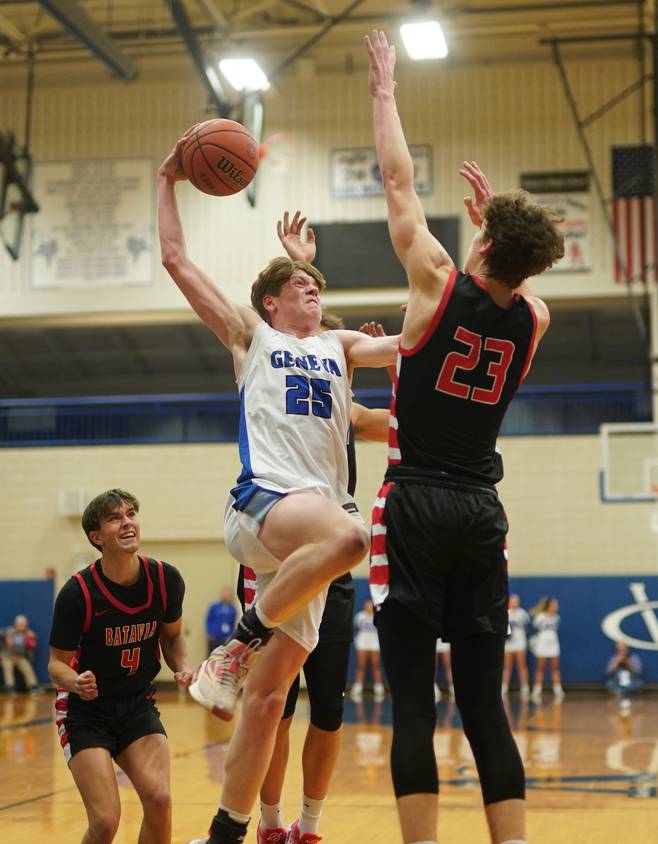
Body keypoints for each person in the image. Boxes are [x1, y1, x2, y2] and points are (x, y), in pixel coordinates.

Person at [158, 147, 397, 844]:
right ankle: (234, 647)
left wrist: (473, 279)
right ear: (271, 301)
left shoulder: (339, 346)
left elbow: (412, 344)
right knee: (354, 538)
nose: (313, 291)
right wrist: (166, 178)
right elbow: (177, 260)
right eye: (300, 285)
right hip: (263, 505)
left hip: (304, 537)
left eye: (317, 286)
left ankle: (229, 832)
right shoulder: (251, 336)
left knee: (266, 702)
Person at [363, 29, 563, 844]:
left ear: (477, 241)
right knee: (485, 705)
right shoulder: (537, 319)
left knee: (415, 701)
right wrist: (497, 231)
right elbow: (510, 287)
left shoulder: (434, 280)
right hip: (483, 510)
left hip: (412, 502)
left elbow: (397, 178)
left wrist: (385, 92)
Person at [239, 340, 391, 844]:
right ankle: (268, 822)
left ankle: (308, 828)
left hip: (333, 562)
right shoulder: (270, 385)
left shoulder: (342, 406)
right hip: (277, 553)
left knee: (328, 707)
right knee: (273, 705)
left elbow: (386, 425)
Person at [48, 489, 191, 844]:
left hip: (136, 704)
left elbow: (171, 638)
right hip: (85, 712)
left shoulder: (165, 579)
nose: (127, 522)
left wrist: (183, 667)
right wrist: (77, 681)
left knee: (160, 800)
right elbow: (55, 665)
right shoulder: (77, 593)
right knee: (106, 821)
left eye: (131, 514)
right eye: (115, 518)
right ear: (97, 537)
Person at [530, 597, 563, 704]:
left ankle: (558, 690)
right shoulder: (539, 617)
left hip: (553, 644)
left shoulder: (557, 618)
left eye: (556, 605)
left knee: (555, 668)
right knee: (540, 668)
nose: (556, 606)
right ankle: (537, 690)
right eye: (554, 604)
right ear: (549, 606)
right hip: (542, 644)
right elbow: (535, 629)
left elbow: (555, 629)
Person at [352, 600, 384, 702]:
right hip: (362, 643)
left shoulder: (378, 616)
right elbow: (356, 627)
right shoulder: (359, 616)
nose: (369, 606)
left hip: (375, 644)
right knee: (361, 665)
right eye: (367, 605)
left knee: (376, 665)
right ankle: (358, 686)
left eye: (371, 605)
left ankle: (379, 687)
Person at [2, 614, 42, 694]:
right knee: (7, 666)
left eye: (23, 624)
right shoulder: (10, 631)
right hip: (8, 656)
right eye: (20, 624)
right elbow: (8, 642)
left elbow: (33, 646)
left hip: (20, 657)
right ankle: (10, 687)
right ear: (16, 624)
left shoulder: (29, 634)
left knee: (27, 667)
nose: (22, 626)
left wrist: (32, 639)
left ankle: (33, 686)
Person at [502, 595, 530, 700]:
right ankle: (504, 688)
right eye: (512, 601)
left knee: (522, 665)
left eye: (516, 601)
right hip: (508, 643)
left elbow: (528, 626)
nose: (514, 603)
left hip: (520, 642)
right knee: (507, 667)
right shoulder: (505, 613)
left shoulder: (522, 613)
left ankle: (524, 688)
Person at [205, 587, 238, 655]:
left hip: (226, 638)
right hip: (214, 637)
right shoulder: (214, 606)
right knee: (211, 655)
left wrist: (231, 636)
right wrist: (210, 633)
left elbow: (233, 623)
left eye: (228, 594)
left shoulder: (233, 609)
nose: (226, 596)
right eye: (225, 594)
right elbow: (209, 620)